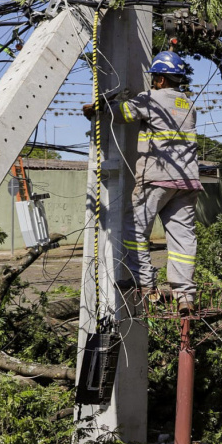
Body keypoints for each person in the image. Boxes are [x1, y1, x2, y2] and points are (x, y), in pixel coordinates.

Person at [83, 50, 200, 315]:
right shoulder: (188, 104)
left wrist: (97, 109)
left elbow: (122, 114)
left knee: (134, 228)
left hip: (157, 178)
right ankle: (184, 295)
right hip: (188, 181)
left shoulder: (151, 98)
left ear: (159, 80)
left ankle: (145, 283)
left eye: (153, 79)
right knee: (182, 238)